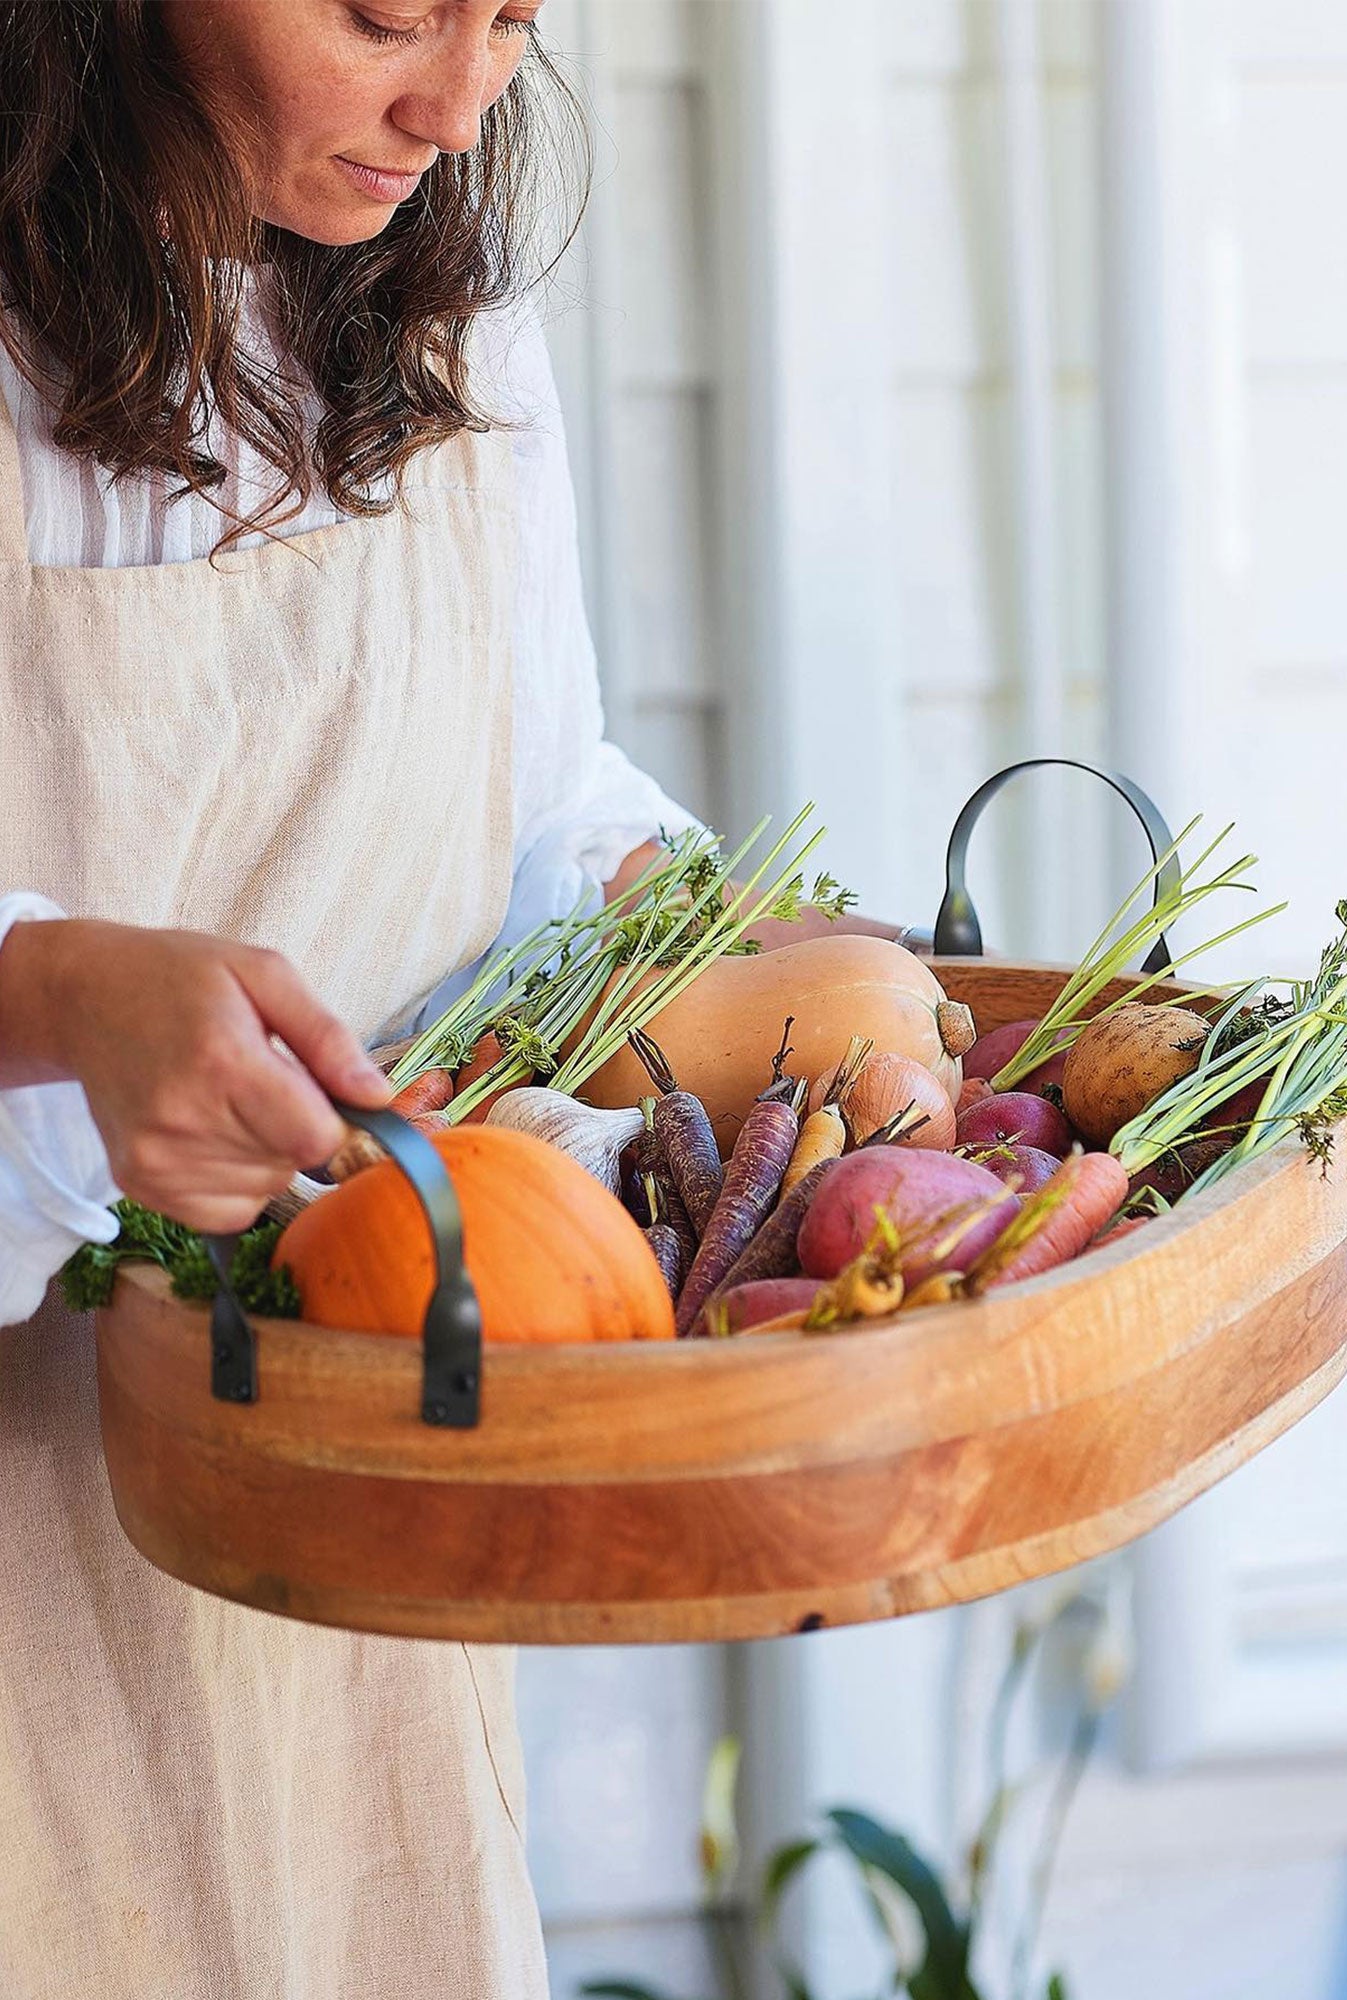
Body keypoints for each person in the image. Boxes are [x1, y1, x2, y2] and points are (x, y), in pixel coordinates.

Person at [0, 3, 693, 1994]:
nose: (453, 106)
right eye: (384, 13)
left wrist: (738, 941)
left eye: (510, 18)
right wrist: (51, 993)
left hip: (353, 1524)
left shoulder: (452, 335)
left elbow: (535, 799)